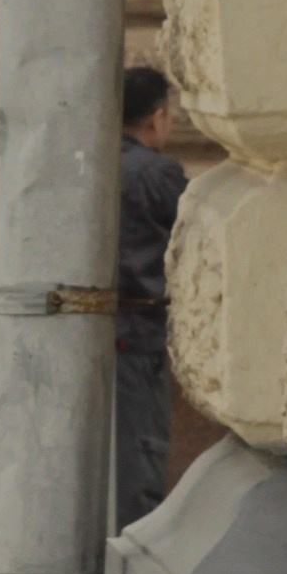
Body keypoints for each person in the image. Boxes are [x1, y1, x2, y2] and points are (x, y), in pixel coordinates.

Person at [116, 62, 186, 528]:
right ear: (156, 117)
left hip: (102, 329)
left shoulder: (97, 165)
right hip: (139, 330)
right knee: (141, 452)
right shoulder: (156, 173)